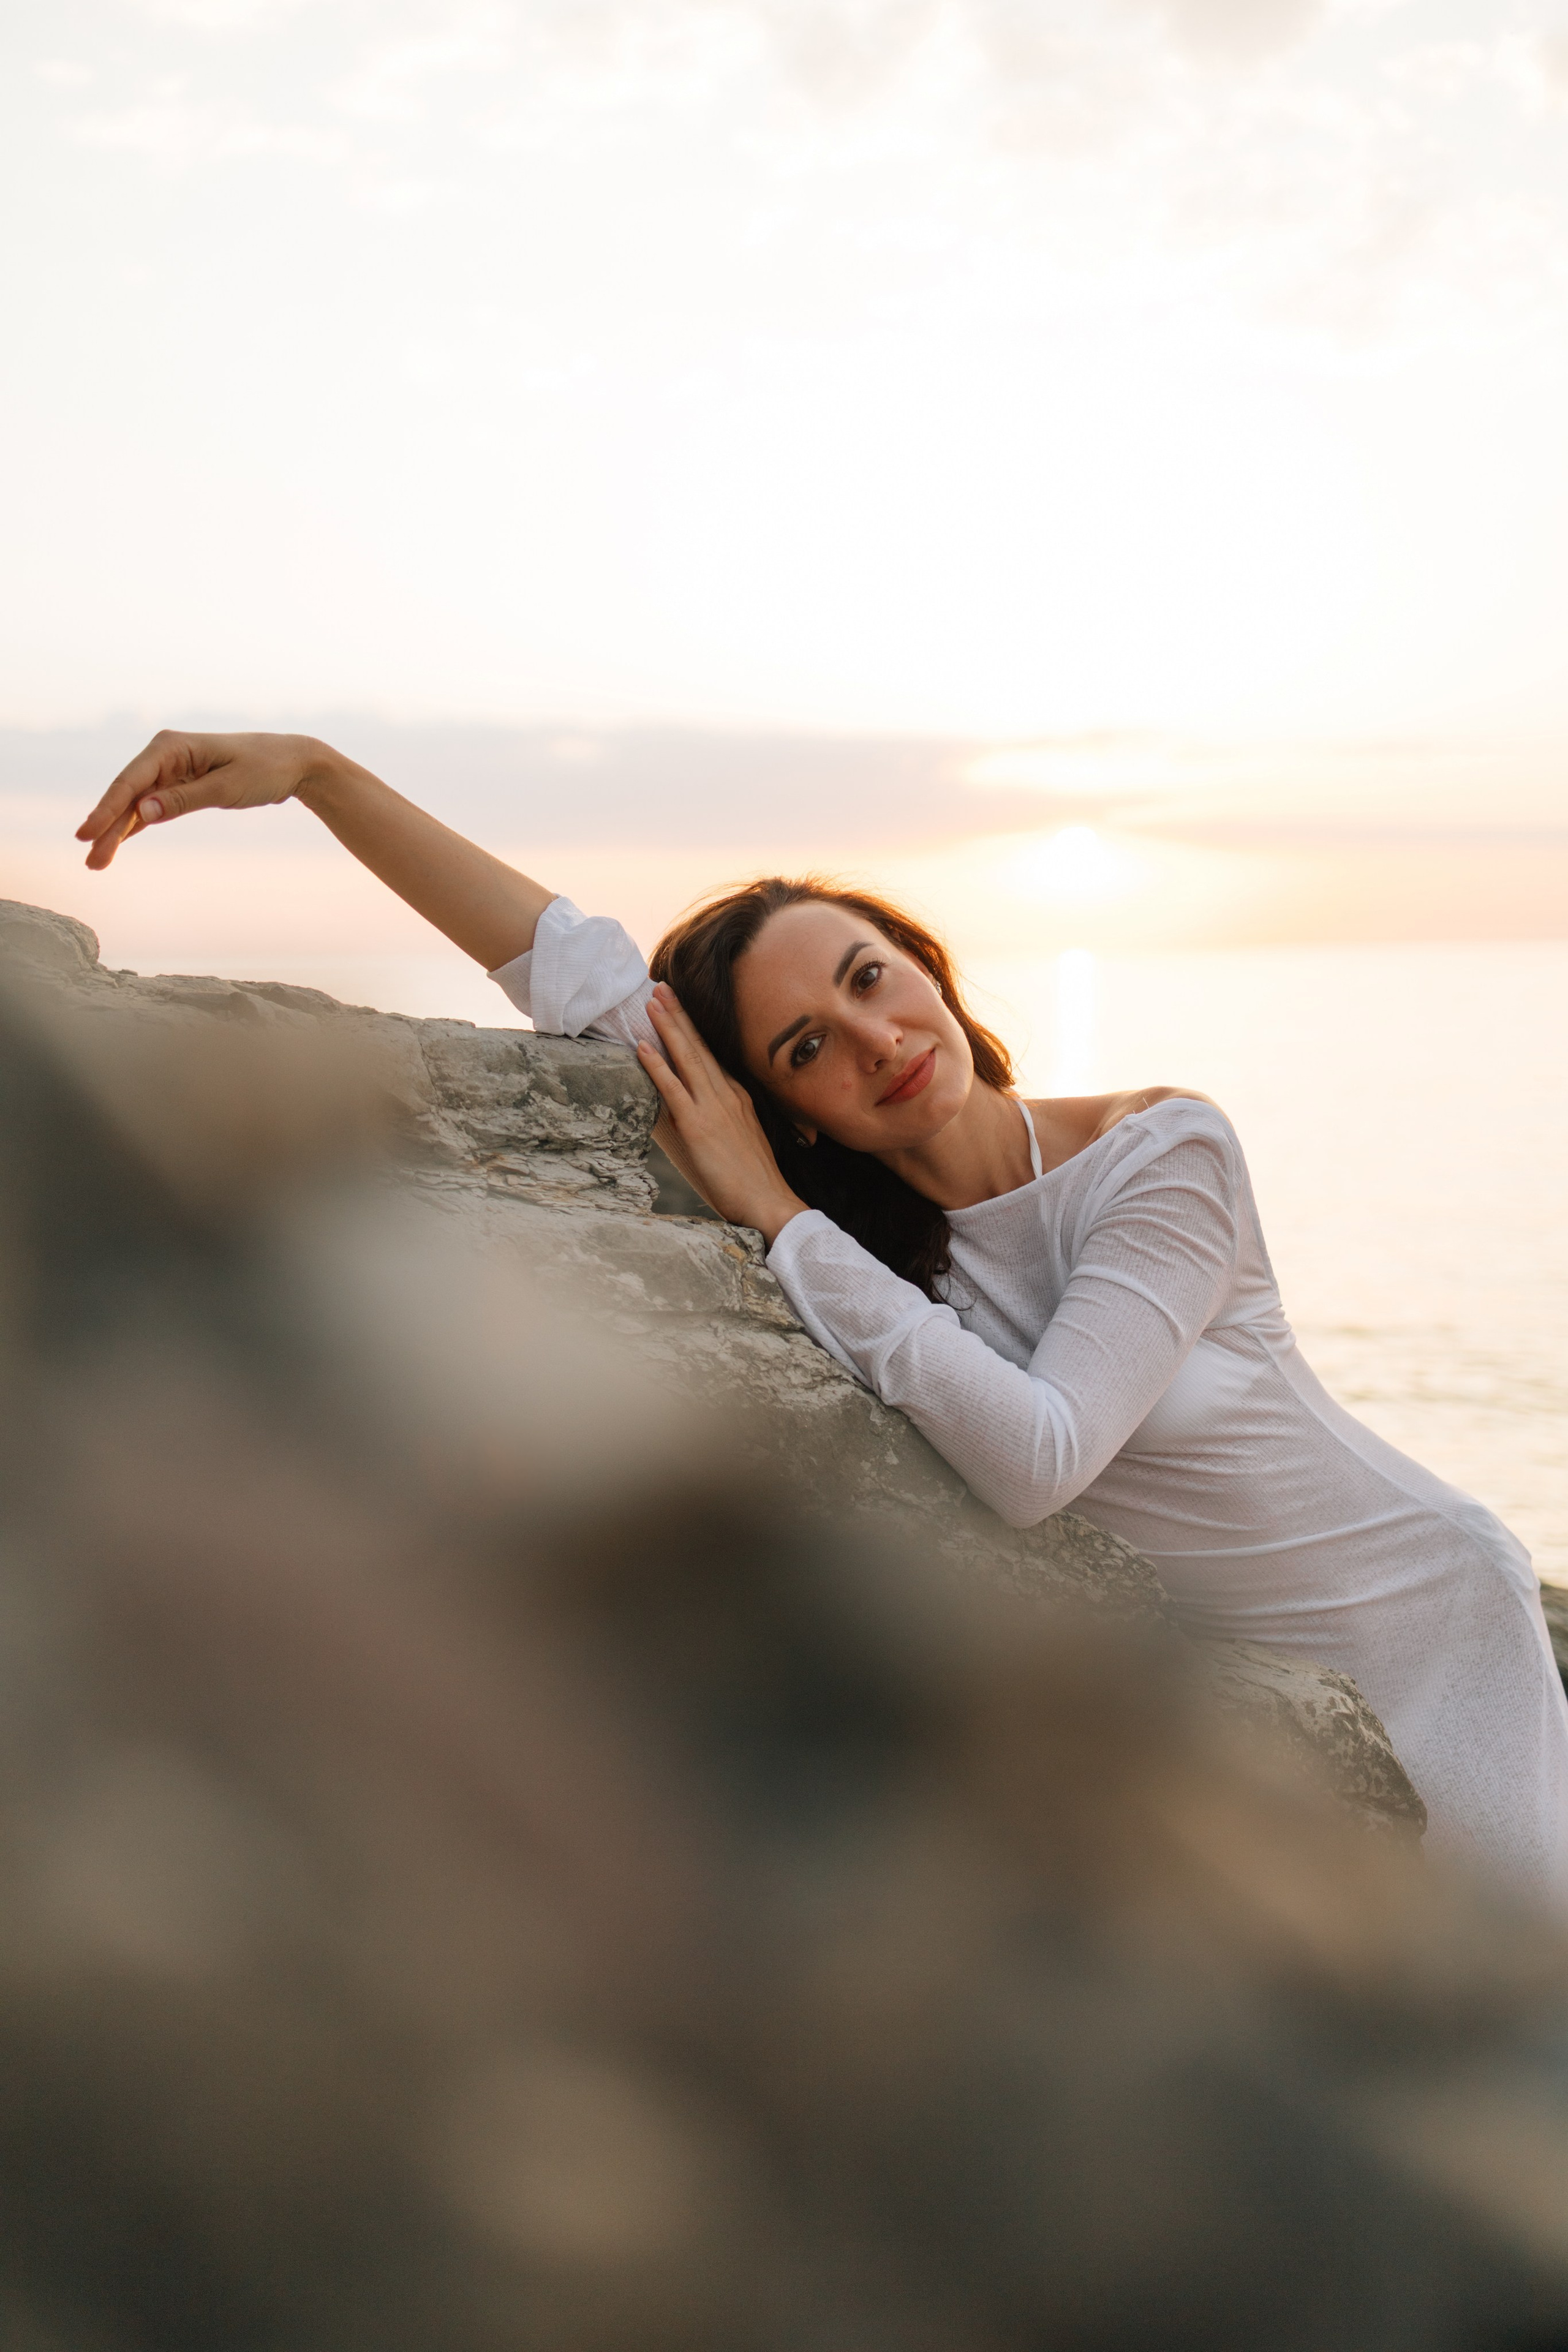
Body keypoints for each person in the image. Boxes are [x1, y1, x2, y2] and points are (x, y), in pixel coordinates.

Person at [76, 729, 1568, 1904]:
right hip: (1264, 1698)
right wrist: (323, 777)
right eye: (805, 1045)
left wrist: (776, 1220)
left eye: (870, 977)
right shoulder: (884, 1248)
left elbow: (1039, 1454)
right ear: (778, 1104)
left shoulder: (1163, 1155)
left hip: (1438, 1629)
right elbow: (571, 967)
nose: (874, 1039)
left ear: (927, 962)